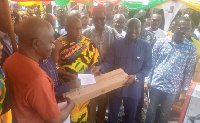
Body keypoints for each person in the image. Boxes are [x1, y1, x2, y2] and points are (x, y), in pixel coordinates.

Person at [3, 17, 75, 123]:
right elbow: (55, 120)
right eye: (51, 42)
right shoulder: (37, 79)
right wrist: (71, 105)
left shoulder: (9, 61)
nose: (53, 46)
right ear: (35, 44)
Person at [91, 18, 152, 123]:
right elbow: (109, 62)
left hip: (133, 88)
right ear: (126, 28)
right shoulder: (116, 44)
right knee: (112, 115)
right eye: (130, 27)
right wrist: (100, 67)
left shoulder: (146, 47)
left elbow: (148, 68)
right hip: (116, 87)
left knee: (130, 117)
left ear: (141, 29)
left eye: (136, 27)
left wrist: (136, 76)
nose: (133, 30)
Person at [145, 17, 197, 123]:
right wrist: (147, 80)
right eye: (182, 28)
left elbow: (189, 71)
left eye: (187, 29)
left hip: (173, 89)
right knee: (150, 110)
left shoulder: (191, 48)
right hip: (155, 84)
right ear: (174, 28)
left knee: (165, 113)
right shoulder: (161, 42)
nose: (184, 32)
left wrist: (184, 90)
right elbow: (152, 63)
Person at [52, 16, 99, 123]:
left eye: (80, 28)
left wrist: (93, 69)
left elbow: (93, 62)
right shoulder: (58, 44)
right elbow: (53, 68)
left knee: (82, 113)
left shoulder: (87, 43)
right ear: (66, 28)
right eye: (74, 28)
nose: (78, 32)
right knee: (69, 113)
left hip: (83, 85)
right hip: (66, 87)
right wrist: (69, 75)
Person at [83, 5, 121, 123]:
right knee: (90, 100)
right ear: (92, 18)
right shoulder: (86, 33)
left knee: (103, 100)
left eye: (102, 19)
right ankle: (91, 120)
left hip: (106, 73)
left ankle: (100, 120)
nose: (99, 21)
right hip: (90, 74)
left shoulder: (113, 32)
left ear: (106, 18)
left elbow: (120, 50)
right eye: (96, 19)